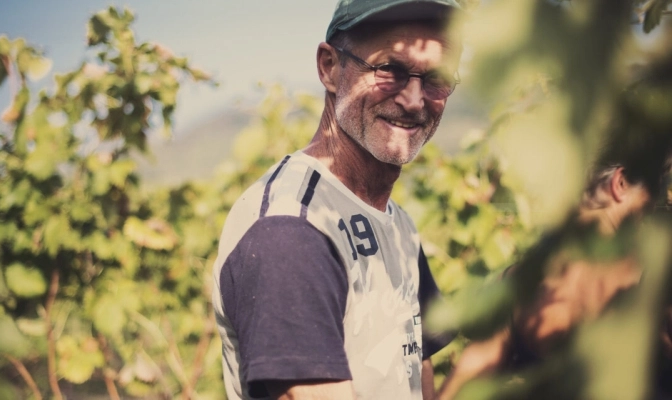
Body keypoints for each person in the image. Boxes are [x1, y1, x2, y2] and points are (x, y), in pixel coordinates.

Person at [212, 1, 463, 399]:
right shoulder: (291, 230)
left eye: (437, 78)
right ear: (329, 67)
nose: (415, 101)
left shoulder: (398, 225)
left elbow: (418, 381)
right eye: (390, 70)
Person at [437, 142, 672, 400]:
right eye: (658, 187)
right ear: (621, 184)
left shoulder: (521, 284)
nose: (658, 204)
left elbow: (459, 387)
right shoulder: (654, 283)